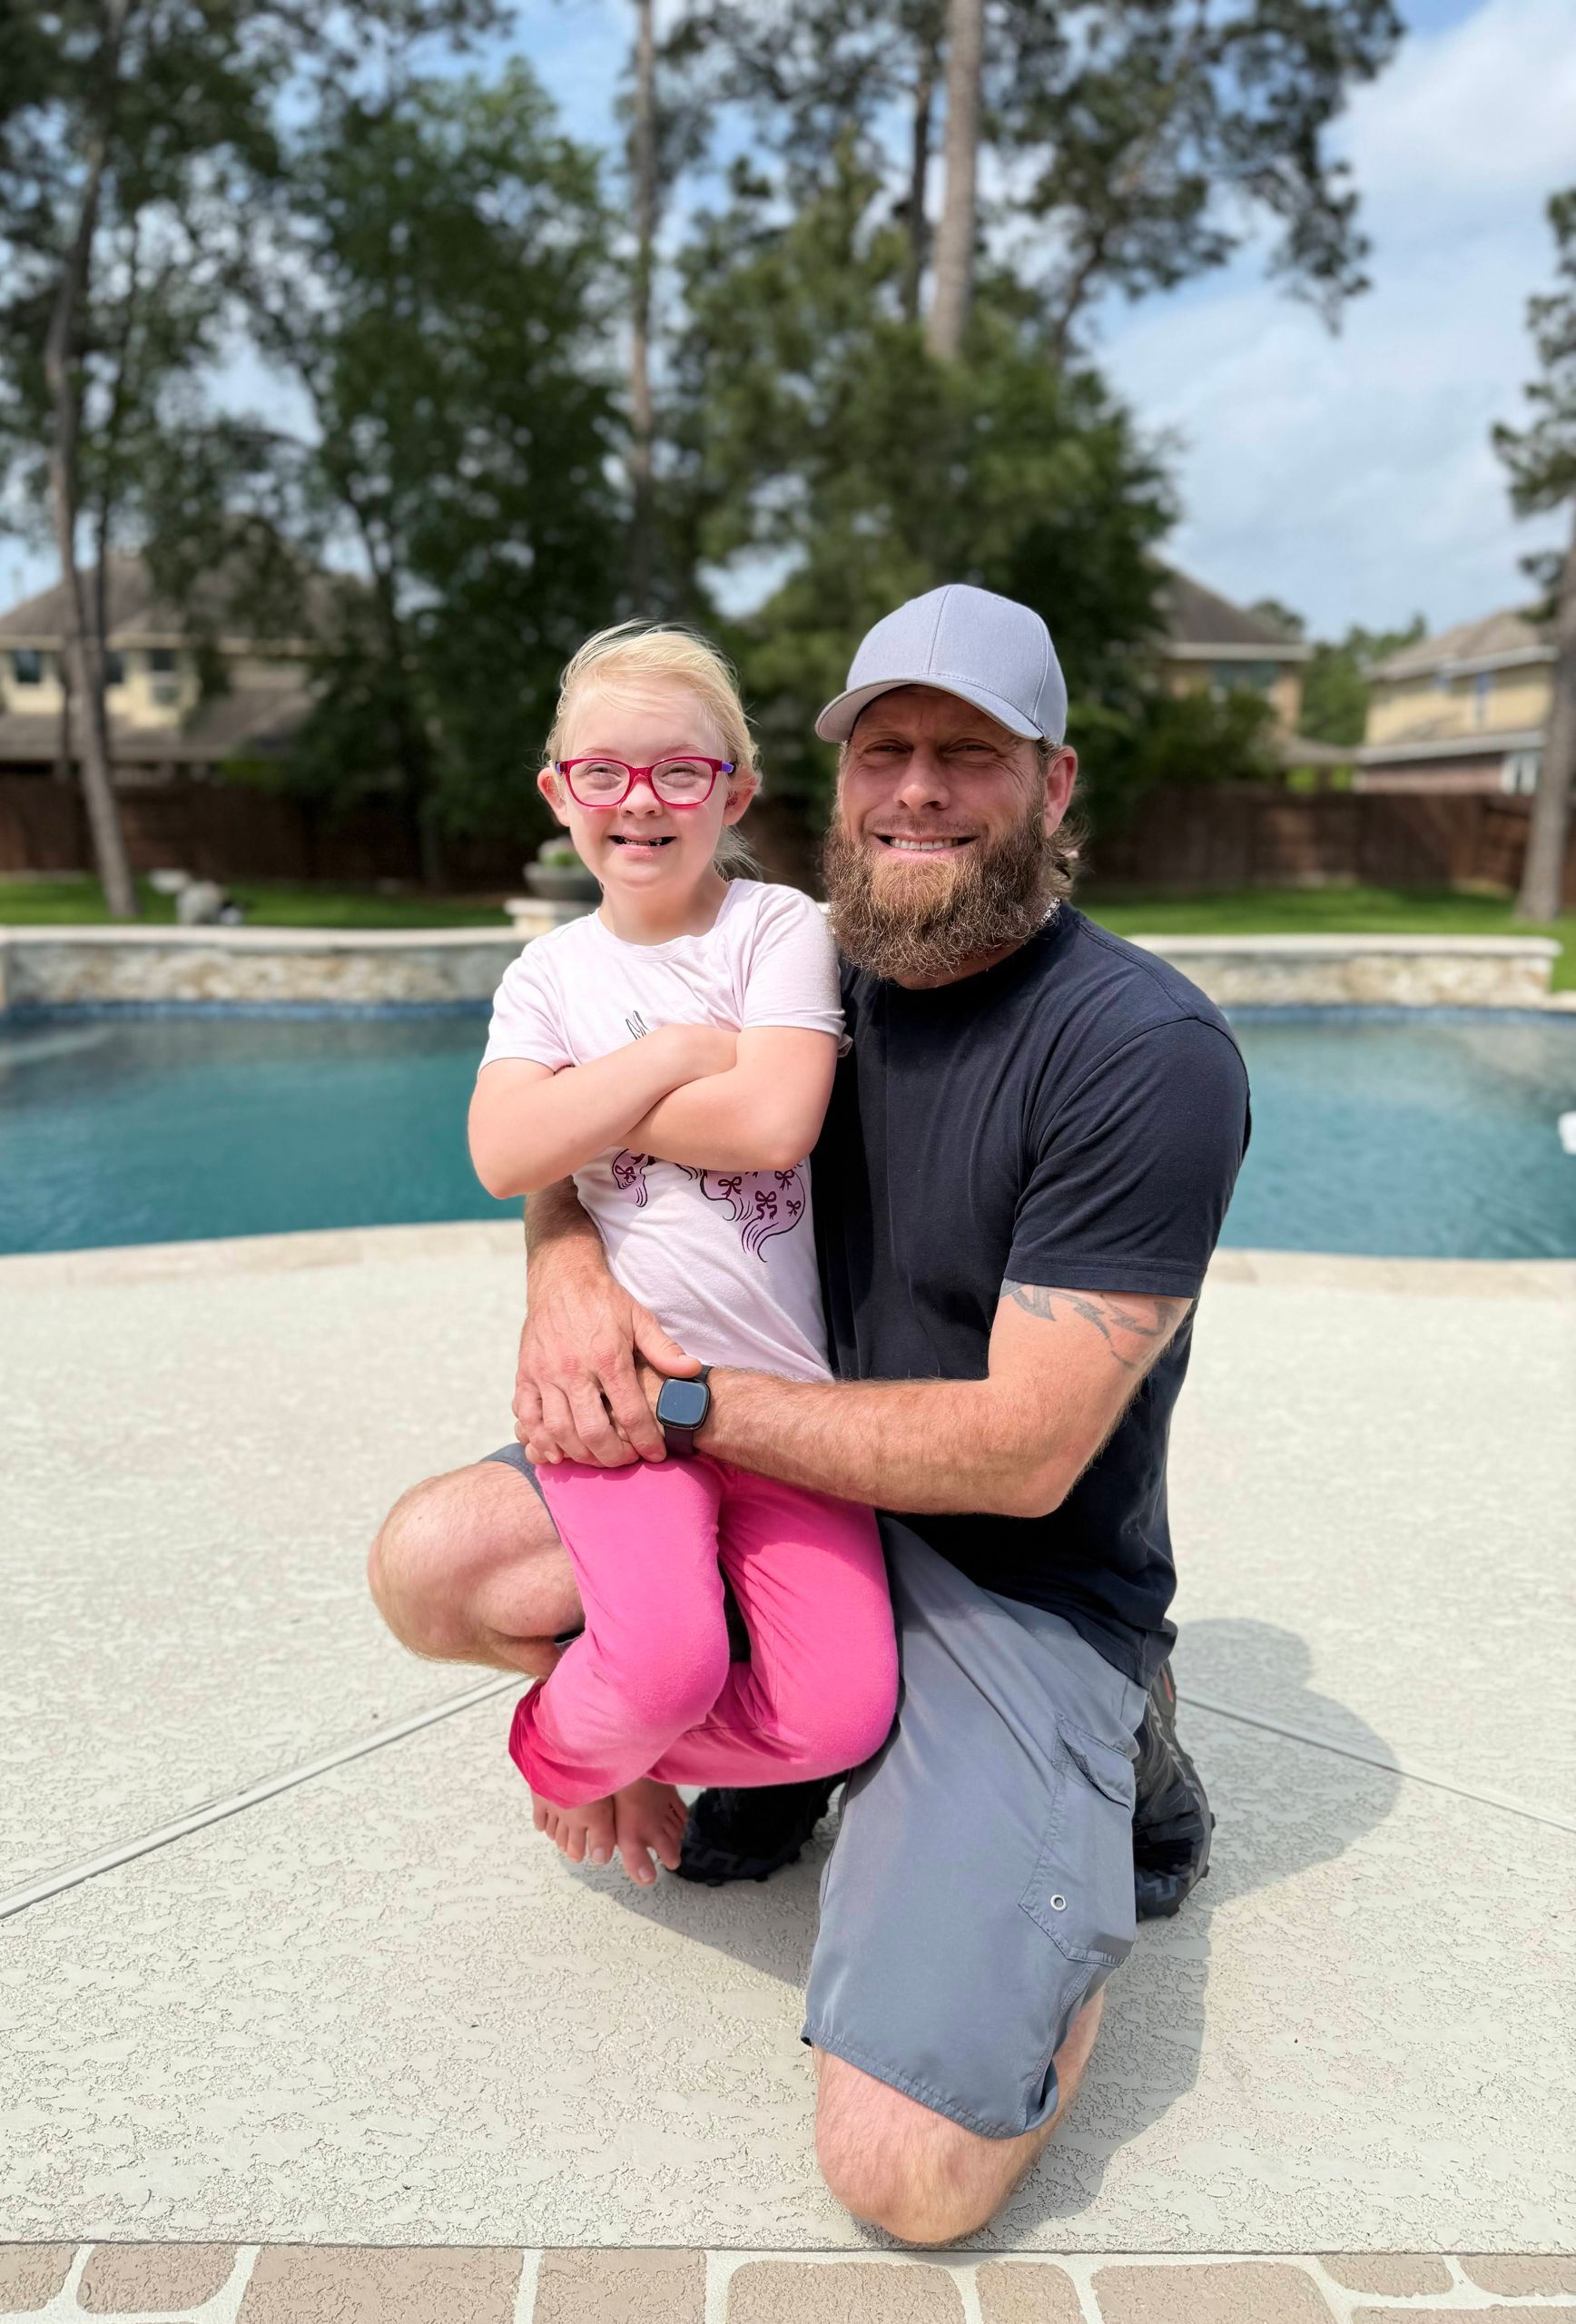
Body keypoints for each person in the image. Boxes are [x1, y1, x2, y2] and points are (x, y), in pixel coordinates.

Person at [368, 584, 1249, 2243]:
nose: (918, 790)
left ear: (1055, 787)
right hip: (777, 1495)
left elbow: (1020, 1448)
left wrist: (677, 1406)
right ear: (835, 783)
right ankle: (753, 1724)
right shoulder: (795, 960)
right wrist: (560, 1263)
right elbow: (577, 1134)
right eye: (887, 750)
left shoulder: (1141, 1053)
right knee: (437, 1565)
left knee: (905, 2176)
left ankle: (1106, 1781)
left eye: (969, 756)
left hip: (1011, 1579)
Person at [467, 622, 898, 1886]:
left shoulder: (778, 930)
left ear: (737, 790)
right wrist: (671, 1056)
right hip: (626, 1404)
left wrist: (579, 1108)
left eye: (680, 772)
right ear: (558, 793)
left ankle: (627, 1742)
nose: (640, 802)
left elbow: (771, 1123)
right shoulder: (548, 976)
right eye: (602, 772)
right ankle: (572, 1751)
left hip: (782, 1413)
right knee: (663, 1664)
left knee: (842, 1712)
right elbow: (502, 1154)